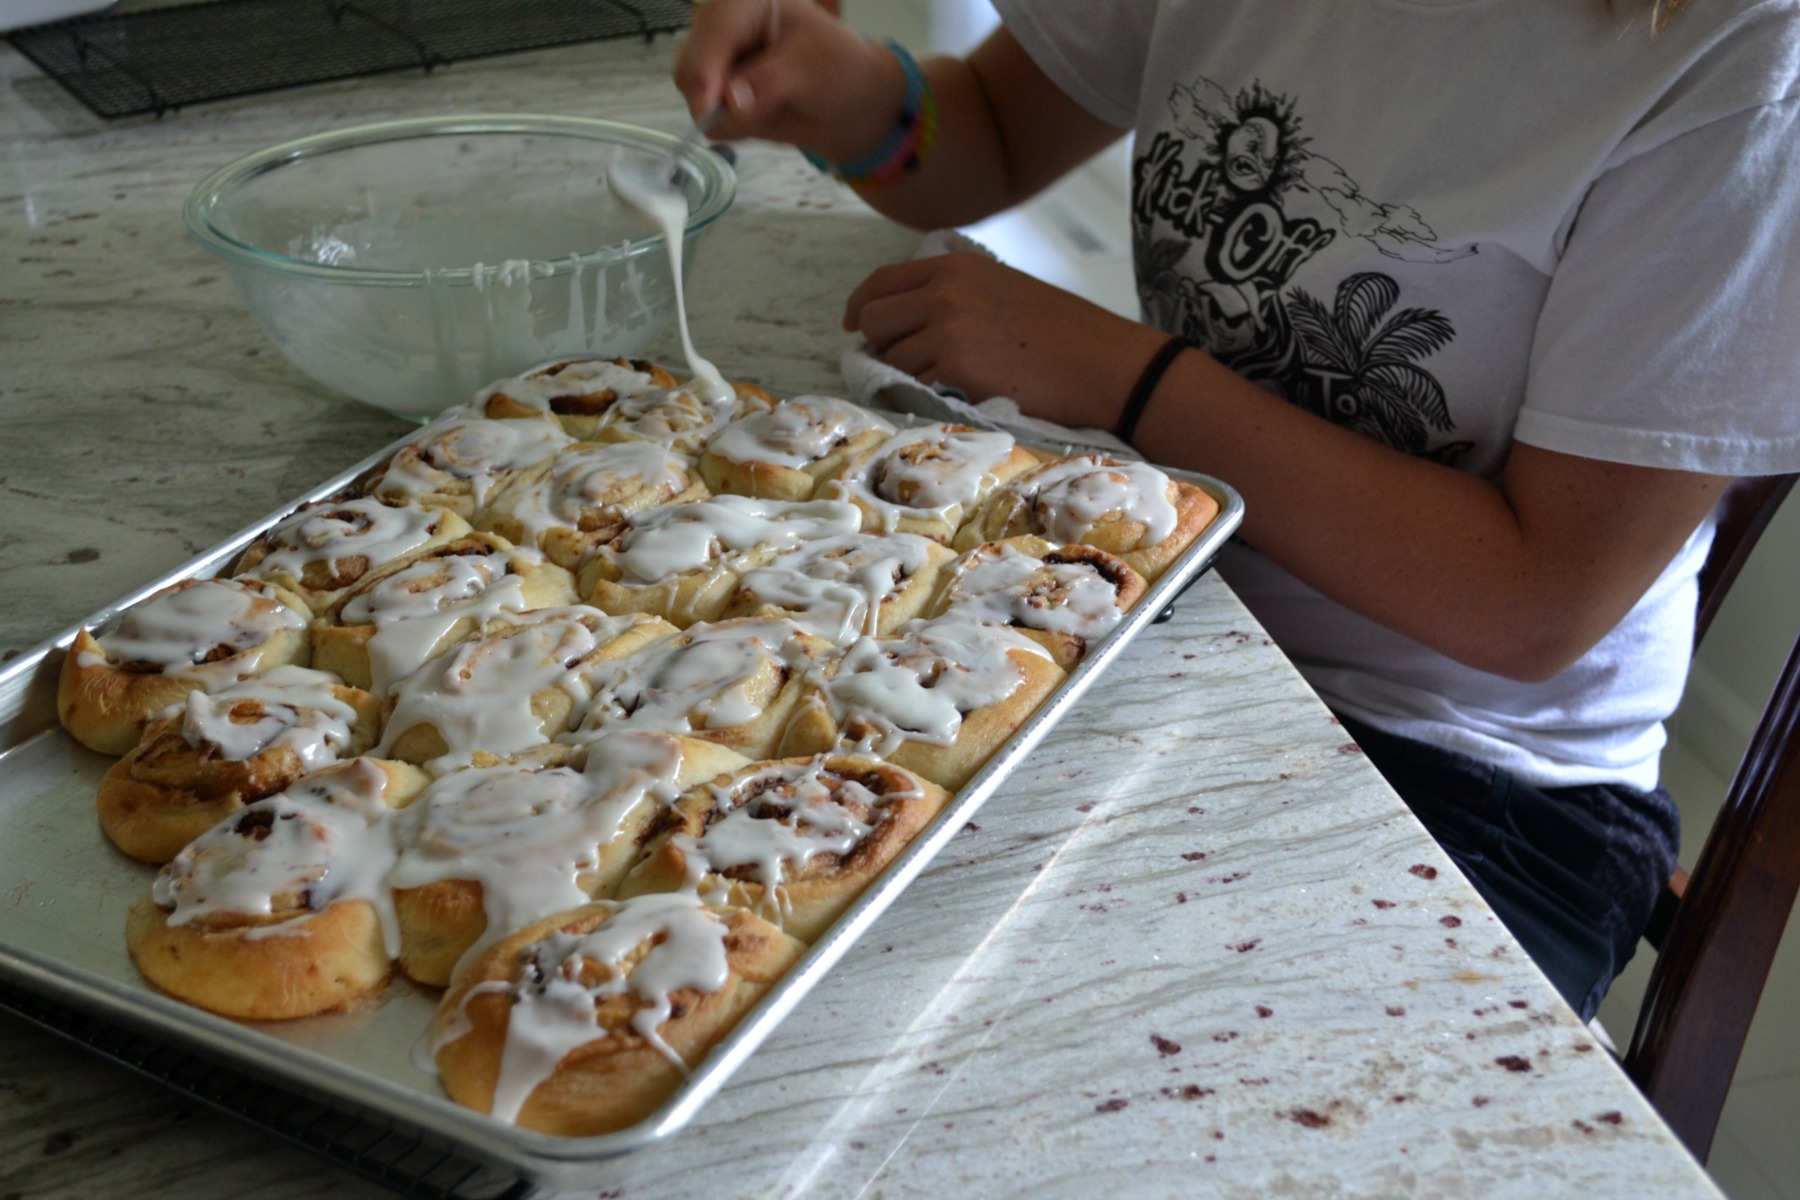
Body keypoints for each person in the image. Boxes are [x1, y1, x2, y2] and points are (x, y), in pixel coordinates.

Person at [672, 0, 1800, 1021]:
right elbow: (988, 136)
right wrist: (856, 96)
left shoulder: (1744, 66)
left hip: (1467, 778)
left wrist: (1131, 380)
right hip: (1153, 637)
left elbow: (1532, 607)